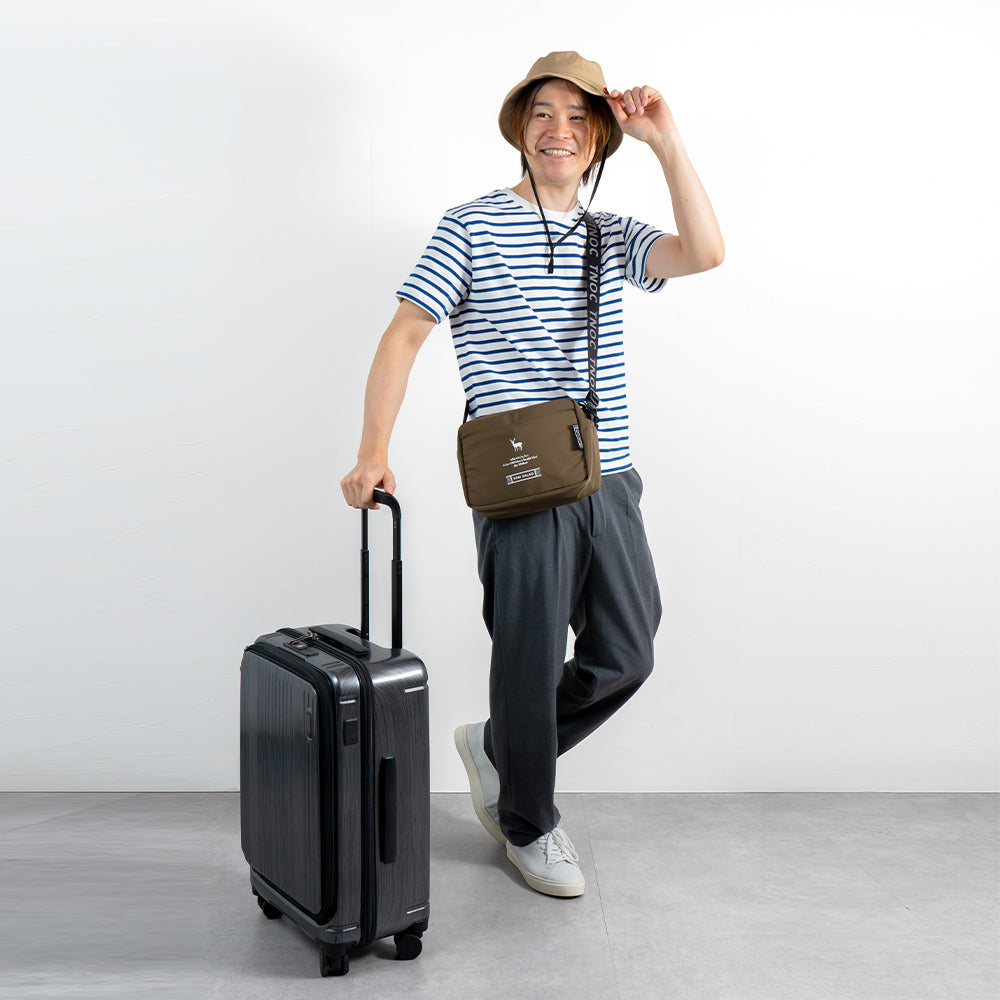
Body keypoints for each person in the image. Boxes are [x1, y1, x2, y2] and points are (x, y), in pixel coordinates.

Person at [341, 51, 724, 898]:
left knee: (627, 652)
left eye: (580, 118)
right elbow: (405, 335)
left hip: (609, 475)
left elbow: (705, 252)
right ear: (520, 126)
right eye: (544, 113)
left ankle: (499, 747)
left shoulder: (609, 232)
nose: (560, 131)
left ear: (600, 139)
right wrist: (373, 450)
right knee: (529, 656)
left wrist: (665, 140)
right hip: (519, 478)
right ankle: (528, 822)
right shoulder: (470, 225)